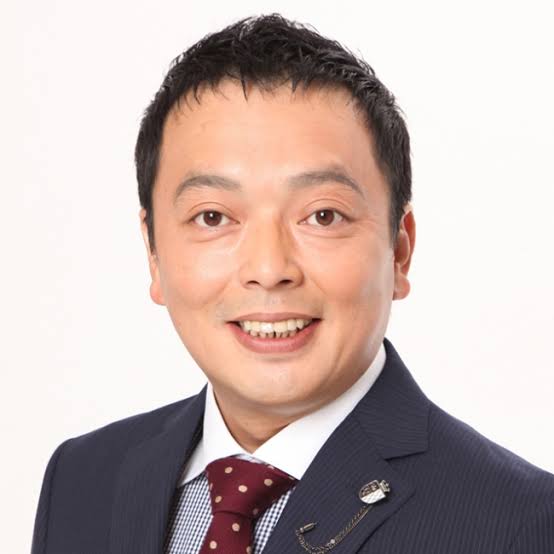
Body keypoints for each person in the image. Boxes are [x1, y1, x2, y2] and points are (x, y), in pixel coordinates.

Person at [31, 13, 554, 554]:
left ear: (399, 251)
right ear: (154, 254)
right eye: (213, 217)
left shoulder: (522, 524)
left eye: (323, 216)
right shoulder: (83, 479)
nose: (268, 267)